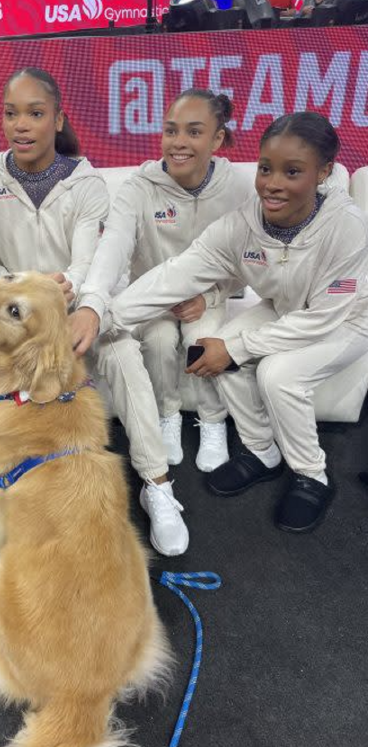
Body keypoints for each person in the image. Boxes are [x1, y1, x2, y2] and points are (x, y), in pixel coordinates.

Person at [100, 112, 368, 535]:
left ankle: (312, 475)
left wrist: (240, 349)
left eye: (292, 172)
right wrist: (100, 317)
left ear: (324, 172)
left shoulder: (347, 226)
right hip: (288, 310)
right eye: (266, 168)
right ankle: (262, 451)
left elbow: (323, 318)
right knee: (215, 346)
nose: (272, 183)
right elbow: (175, 274)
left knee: (279, 376)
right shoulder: (241, 226)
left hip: (347, 321)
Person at [70, 90, 251, 557]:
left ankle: (212, 422)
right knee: (155, 338)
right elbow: (112, 252)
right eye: (172, 129)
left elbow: (246, 259)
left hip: (202, 300)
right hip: (151, 298)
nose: (179, 141)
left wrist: (210, 295)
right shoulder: (138, 187)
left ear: (219, 138)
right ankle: (167, 416)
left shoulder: (237, 188)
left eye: (194, 131)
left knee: (200, 338)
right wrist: (93, 302)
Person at [0, 67, 109, 490]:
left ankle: (155, 478)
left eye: (35, 113)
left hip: (68, 310)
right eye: (11, 114)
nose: (21, 126)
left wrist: (59, 288)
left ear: (59, 119)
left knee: (123, 354)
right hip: (7, 316)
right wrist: (16, 287)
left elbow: (87, 263)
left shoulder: (87, 184)